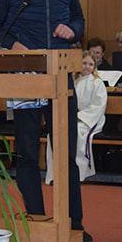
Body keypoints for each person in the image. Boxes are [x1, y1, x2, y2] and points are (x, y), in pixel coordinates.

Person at [0, 0, 91, 242]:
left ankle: (73, 224)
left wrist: (73, 30)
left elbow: (79, 19)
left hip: (60, 75)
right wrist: (13, 45)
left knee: (66, 154)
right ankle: (36, 220)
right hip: (25, 77)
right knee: (28, 154)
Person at [46, 51, 107, 183]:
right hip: (71, 118)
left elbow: (99, 106)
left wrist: (79, 117)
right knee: (54, 134)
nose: (87, 67)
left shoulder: (97, 83)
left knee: (77, 132)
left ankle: (77, 174)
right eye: (84, 63)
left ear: (94, 66)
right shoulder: (72, 81)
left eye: (90, 64)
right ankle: (55, 175)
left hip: (89, 120)